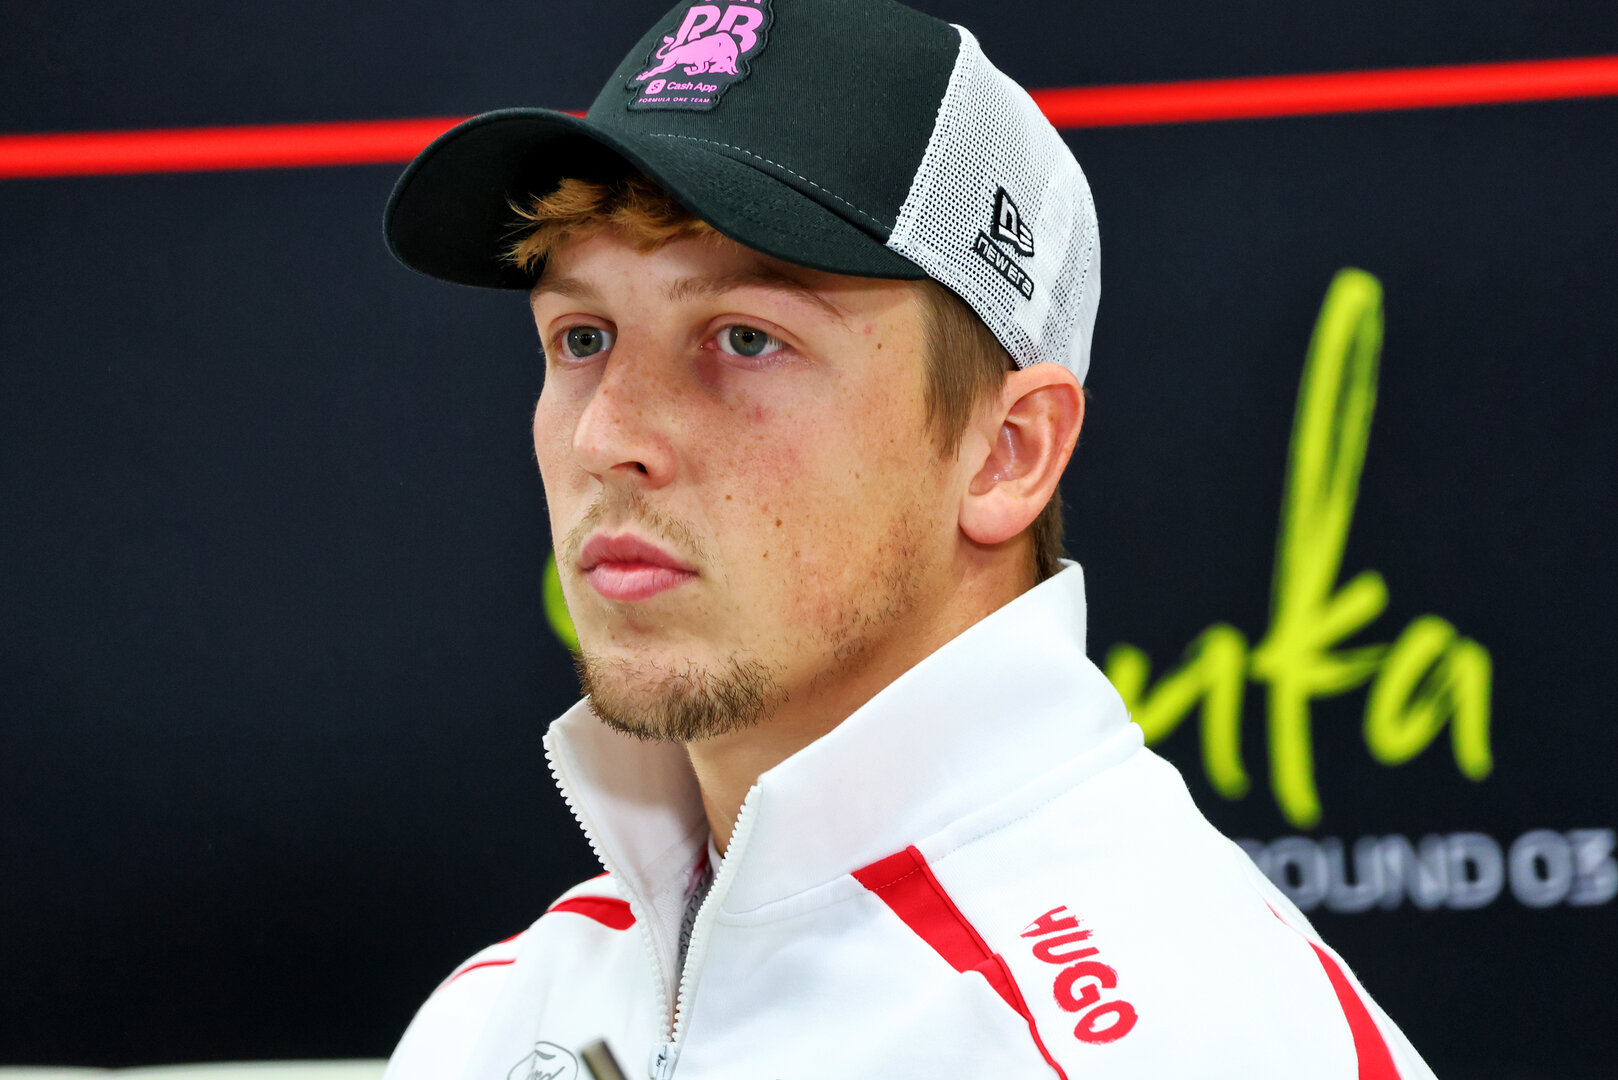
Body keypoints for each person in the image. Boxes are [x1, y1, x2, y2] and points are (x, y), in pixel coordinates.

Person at [380, 0, 1437, 1076]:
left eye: (746, 338)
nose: (607, 435)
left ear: (1007, 452)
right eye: (583, 337)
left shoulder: (1186, 1040)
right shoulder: (500, 1019)